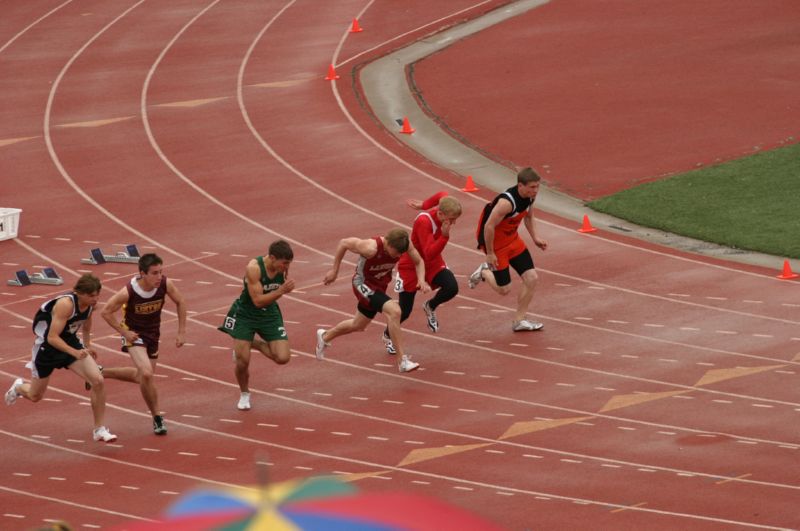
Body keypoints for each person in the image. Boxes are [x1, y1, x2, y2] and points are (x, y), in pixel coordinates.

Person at [4, 273, 117, 443]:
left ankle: (99, 429)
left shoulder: (91, 306)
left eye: (97, 295)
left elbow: (86, 324)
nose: (96, 299)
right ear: (80, 293)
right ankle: (19, 388)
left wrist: (87, 345)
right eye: (91, 295)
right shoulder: (65, 305)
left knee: (98, 381)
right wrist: (74, 352)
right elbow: (52, 338)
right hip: (47, 349)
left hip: (70, 343)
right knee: (35, 396)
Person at [316, 228, 429, 372]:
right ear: (390, 245)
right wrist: (335, 271)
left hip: (379, 286)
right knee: (394, 311)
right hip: (362, 283)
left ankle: (325, 336)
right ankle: (402, 361)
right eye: (398, 253)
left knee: (358, 325)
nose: (400, 256)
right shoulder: (370, 247)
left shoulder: (405, 244)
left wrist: (421, 280)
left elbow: (419, 262)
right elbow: (343, 243)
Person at [99, 253, 187, 435]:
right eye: (154, 273)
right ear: (142, 273)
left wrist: (181, 331)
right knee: (147, 373)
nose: (159, 277)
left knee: (142, 377)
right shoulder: (129, 291)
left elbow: (181, 301)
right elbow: (106, 311)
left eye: (161, 272)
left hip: (153, 335)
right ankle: (157, 417)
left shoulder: (165, 284)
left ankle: (102, 372)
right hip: (134, 335)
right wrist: (124, 332)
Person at [218, 240, 295, 411]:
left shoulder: (283, 267)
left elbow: (269, 298)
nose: (286, 267)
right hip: (247, 313)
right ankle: (245, 393)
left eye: (289, 263)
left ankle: (251, 343)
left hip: (269, 314)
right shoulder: (254, 268)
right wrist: (281, 291)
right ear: (273, 258)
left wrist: (280, 288)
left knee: (283, 358)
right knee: (243, 361)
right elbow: (258, 301)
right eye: (284, 263)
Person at [469, 167, 548, 331]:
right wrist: (490, 253)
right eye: (532, 187)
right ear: (520, 185)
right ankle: (484, 272)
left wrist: (535, 238)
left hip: (513, 241)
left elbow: (528, 216)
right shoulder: (506, 203)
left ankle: (519, 320)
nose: (536, 190)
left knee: (532, 278)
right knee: (504, 289)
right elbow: (488, 227)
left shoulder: (530, 197)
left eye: (537, 186)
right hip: (496, 246)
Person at [381, 192, 462, 354]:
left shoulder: (445, 203)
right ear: (440, 213)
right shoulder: (424, 222)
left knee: (452, 287)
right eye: (451, 219)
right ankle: (387, 335)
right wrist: (444, 237)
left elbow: (442, 193)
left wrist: (425, 204)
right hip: (412, 264)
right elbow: (429, 251)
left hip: (432, 263)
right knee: (405, 311)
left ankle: (430, 306)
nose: (453, 222)